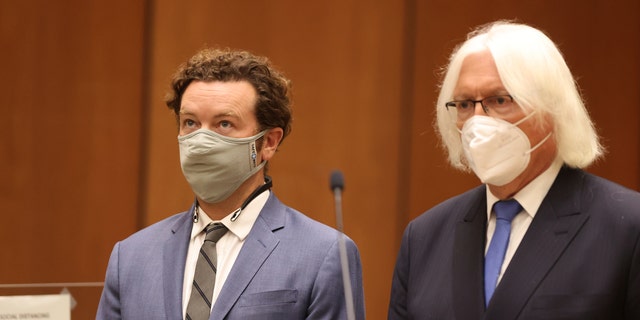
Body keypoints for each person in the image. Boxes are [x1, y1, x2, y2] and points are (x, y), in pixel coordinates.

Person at [388, 20, 640, 319]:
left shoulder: (626, 228)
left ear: (551, 109)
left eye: (498, 100)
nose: (477, 121)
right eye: (466, 104)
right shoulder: (424, 238)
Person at [97, 48, 365, 319]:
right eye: (190, 122)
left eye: (224, 124)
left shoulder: (324, 255)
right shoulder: (130, 257)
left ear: (268, 142)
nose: (201, 142)